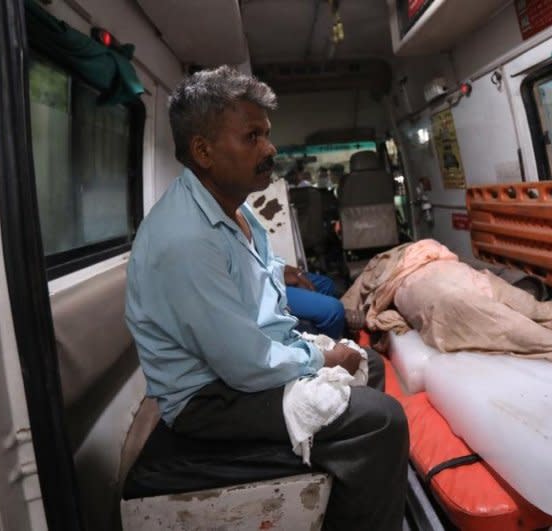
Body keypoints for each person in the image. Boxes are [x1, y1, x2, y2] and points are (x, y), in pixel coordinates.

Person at [125, 66, 408, 531]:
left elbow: (258, 293)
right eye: (252, 136)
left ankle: (347, 481)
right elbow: (245, 364)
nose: (269, 149)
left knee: (369, 366)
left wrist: (315, 347)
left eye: (267, 135)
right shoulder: (185, 240)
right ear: (204, 151)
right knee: (383, 420)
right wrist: (321, 358)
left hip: (237, 367)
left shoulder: (232, 212)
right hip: (208, 399)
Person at [342, 239, 552, 379]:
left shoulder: (374, 268)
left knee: (493, 320)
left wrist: (375, 325)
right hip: (446, 267)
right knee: (523, 307)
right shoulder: (414, 249)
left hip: (420, 282)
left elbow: (343, 314)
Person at [282, 264, 346, 338]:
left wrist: (297, 273)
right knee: (335, 310)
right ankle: (328, 344)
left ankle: (322, 330)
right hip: (271, 291)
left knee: (328, 285)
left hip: (275, 271)